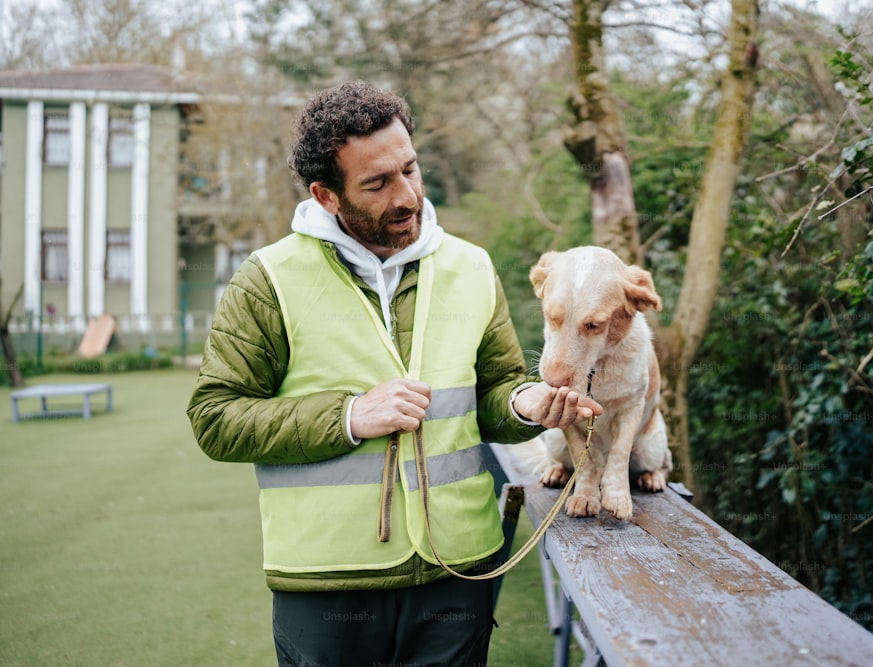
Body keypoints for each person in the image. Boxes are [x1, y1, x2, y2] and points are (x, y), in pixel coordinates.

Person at [186, 80, 601, 667]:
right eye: (378, 183)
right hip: (327, 584)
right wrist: (350, 416)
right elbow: (215, 418)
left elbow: (496, 392)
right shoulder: (267, 278)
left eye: (410, 169)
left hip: (461, 571)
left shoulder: (471, 265)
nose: (406, 195)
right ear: (327, 196)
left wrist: (526, 406)